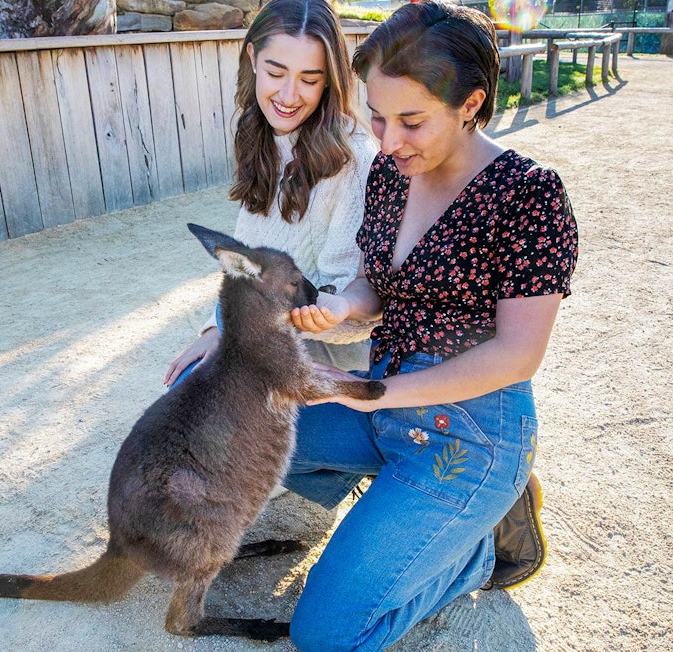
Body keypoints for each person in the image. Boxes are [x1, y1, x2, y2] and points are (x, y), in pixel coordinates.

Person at [283, 2, 579, 649]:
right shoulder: (391, 173)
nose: (387, 141)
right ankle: (408, 516)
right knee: (233, 433)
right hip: (382, 403)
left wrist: (363, 392)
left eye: (410, 121)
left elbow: (516, 355)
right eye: (379, 116)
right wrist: (342, 305)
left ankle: (476, 551)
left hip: (470, 436)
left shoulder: (529, 194)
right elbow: (376, 285)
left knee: (323, 636)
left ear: (470, 103)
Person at [164, 0, 378, 387]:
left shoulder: (354, 158)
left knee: (204, 397)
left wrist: (241, 334)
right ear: (252, 58)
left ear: (329, 79)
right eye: (276, 72)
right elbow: (250, 259)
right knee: (188, 389)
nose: (289, 95)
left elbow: (345, 296)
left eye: (310, 80)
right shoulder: (258, 132)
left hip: (328, 346)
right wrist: (218, 328)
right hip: (267, 324)